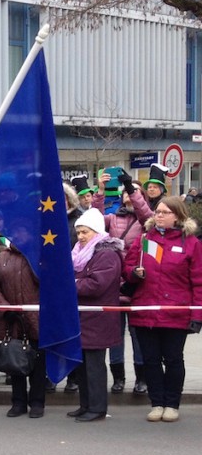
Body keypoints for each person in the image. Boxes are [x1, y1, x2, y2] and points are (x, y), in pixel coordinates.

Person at [123, 196, 202, 422]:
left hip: (175, 313)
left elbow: (198, 281)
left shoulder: (191, 243)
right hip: (145, 311)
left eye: (165, 212)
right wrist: (133, 273)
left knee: (174, 360)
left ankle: (172, 404)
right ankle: (156, 403)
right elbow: (128, 266)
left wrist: (197, 315)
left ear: (177, 216)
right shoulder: (145, 239)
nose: (159, 215)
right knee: (151, 360)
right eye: (157, 211)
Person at [94, 171, 151, 394]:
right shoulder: (112, 218)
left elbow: (145, 214)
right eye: (126, 192)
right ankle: (118, 378)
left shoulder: (147, 221)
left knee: (138, 336)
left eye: (134, 192)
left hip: (137, 283)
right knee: (115, 335)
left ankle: (142, 379)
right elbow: (94, 221)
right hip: (114, 283)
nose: (128, 195)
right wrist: (100, 190)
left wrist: (130, 185)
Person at [67, 208, 123, 422]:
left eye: (85, 232)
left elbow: (96, 285)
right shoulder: (79, 253)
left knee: (94, 367)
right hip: (83, 318)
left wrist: (70, 284)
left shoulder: (106, 254)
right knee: (82, 366)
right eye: (79, 232)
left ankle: (97, 407)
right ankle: (85, 405)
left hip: (98, 319)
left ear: (97, 232)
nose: (80, 236)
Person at [0, 228, 47, 418]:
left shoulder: (37, 255)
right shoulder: (2, 257)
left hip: (36, 317)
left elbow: (45, 281)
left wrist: (33, 258)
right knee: (15, 359)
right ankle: (18, 402)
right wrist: (6, 307)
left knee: (38, 362)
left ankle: (37, 402)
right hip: (11, 319)